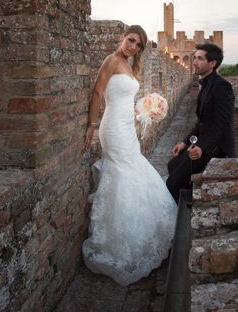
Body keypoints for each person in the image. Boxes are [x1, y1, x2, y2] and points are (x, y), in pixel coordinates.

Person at [82, 25, 176, 287]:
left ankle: (142, 231)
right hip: (111, 127)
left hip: (127, 125)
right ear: (121, 37)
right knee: (122, 172)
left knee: (134, 169)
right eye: (131, 40)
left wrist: (145, 111)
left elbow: (127, 99)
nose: (133, 47)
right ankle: (118, 242)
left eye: (138, 45)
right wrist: (90, 126)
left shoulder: (130, 66)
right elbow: (98, 93)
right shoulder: (111, 60)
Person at [166, 43, 235, 203]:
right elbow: (201, 122)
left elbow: (222, 124)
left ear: (212, 64)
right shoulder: (204, 84)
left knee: (172, 183)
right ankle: (191, 198)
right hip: (202, 143)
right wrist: (184, 143)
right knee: (172, 165)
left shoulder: (222, 86)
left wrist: (202, 148)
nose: (195, 62)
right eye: (194, 58)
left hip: (216, 148)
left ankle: (193, 216)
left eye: (200, 59)